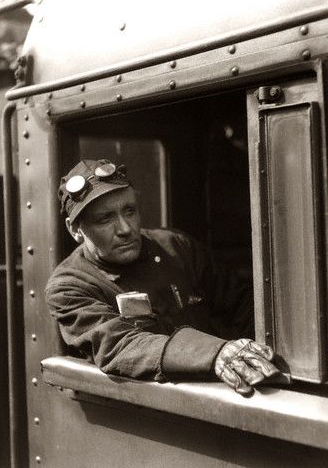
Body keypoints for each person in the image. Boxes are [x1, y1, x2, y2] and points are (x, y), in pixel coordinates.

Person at [45, 158, 281, 396]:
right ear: (75, 229)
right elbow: (120, 344)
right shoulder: (68, 286)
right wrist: (215, 353)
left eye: (130, 211)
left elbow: (243, 305)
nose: (125, 229)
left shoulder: (175, 247)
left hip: (234, 388)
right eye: (105, 219)